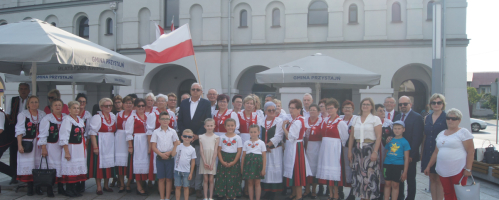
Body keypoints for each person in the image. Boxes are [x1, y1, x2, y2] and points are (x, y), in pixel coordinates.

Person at [423, 108, 474, 200]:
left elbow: (470, 151)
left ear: (459, 120)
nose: (450, 120)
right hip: (443, 171)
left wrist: (468, 169)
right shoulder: (441, 134)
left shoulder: (463, 132)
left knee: (458, 194)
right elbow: (435, 152)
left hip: (458, 170)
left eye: (454, 119)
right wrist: (428, 166)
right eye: (448, 118)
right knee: (447, 193)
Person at [177, 83, 212, 198]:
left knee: (198, 165)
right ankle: (189, 186)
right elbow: (180, 120)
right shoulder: (184, 103)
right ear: (190, 90)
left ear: (201, 91)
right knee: (187, 163)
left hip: (199, 138)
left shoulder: (206, 103)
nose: (195, 91)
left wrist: (198, 135)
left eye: (198, 89)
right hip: (186, 139)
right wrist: (186, 134)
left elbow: (207, 119)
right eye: (193, 89)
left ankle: (197, 187)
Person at [348, 97, 382, 200]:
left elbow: (379, 137)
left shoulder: (375, 119)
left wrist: (375, 152)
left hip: (370, 148)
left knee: (369, 175)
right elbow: (352, 137)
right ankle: (362, 197)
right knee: (359, 175)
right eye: (363, 104)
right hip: (358, 149)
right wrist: (349, 151)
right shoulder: (356, 119)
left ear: (371, 106)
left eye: (367, 104)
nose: (365, 106)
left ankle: (369, 197)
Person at [316, 99, 349, 200]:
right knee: (327, 172)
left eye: (331, 108)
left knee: (334, 172)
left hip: (335, 149)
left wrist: (336, 147)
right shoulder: (325, 120)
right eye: (328, 108)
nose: (329, 110)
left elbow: (344, 137)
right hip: (325, 148)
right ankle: (330, 193)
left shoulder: (340, 122)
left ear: (337, 109)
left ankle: (336, 194)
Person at [393, 96, 423, 200]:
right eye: (400, 104)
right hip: (398, 154)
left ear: (410, 104)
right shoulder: (397, 117)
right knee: (399, 178)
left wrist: (411, 154)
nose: (402, 106)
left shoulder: (417, 117)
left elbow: (417, 138)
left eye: (405, 104)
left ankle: (410, 198)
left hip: (410, 154)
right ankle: (400, 197)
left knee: (410, 178)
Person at [15, 96, 46, 196]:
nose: (34, 104)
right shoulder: (23, 115)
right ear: (28, 104)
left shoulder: (42, 114)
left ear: (38, 103)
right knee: (29, 165)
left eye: (36, 102)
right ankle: (30, 187)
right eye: (32, 102)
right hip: (27, 143)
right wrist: (19, 145)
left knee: (38, 165)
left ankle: (38, 187)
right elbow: (19, 130)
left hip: (39, 143)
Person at [282, 99, 312, 200]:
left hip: (296, 147)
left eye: (293, 108)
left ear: (299, 109)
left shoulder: (298, 121)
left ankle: (298, 195)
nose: (291, 110)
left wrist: (283, 127)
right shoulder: (295, 120)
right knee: (292, 170)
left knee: (296, 170)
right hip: (293, 146)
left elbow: (291, 136)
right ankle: (294, 193)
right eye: (290, 108)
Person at [420, 93, 447, 200]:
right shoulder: (427, 118)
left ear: (442, 104)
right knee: (432, 178)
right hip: (428, 149)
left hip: (441, 152)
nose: (436, 105)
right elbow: (424, 137)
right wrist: (422, 153)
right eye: (434, 102)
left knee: (439, 179)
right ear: (430, 104)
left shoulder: (446, 117)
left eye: (439, 102)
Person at [59, 101, 88, 197]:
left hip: (79, 147)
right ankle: (69, 190)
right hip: (71, 148)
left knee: (76, 168)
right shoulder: (67, 120)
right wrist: (66, 152)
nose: (76, 110)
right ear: (69, 109)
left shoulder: (79, 120)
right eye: (74, 108)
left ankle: (74, 189)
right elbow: (64, 136)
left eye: (78, 108)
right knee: (70, 167)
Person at [38, 98, 66, 197]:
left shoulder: (65, 117)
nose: (58, 107)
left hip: (62, 146)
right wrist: (44, 148)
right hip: (52, 146)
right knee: (51, 166)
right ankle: (50, 188)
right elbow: (43, 134)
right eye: (55, 105)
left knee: (62, 166)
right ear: (51, 107)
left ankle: (61, 187)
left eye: (59, 105)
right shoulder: (47, 118)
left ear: (62, 107)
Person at [88, 98, 116, 195]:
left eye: (110, 106)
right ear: (101, 107)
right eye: (106, 106)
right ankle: (99, 186)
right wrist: (95, 147)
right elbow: (92, 132)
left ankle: (106, 185)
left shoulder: (113, 116)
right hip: (100, 143)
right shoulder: (97, 117)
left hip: (110, 144)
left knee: (108, 165)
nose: (108, 107)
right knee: (99, 166)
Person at [146, 94, 177, 182]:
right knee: (158, 163)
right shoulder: (152, 115)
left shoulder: (171, 114)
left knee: (170, 163)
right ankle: (159, 184)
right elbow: (149, 132)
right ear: (156, 103)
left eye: (162, 101)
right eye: (158, 101)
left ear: (166, 103)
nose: (160, 103)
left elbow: (174, 128)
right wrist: (150, 146)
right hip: (158, 143)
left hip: (170, 143)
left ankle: (169, 184)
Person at [258, 101, 284, 200]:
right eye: (269, 110)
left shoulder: (279, 121)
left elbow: (278, 136)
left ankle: (273, 192)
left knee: (273, 169)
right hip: (264, 150)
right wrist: (263, 147)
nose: (272, 112)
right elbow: (258, 134)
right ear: (265, 111)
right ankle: (266, 191)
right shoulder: (260, 121)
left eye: (274, 110)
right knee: (266, 169)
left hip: (274, 150)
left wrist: (268, 145)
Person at [151, 111, 180, 200]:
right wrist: (161, 154)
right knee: (161, 179)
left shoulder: (173, 131)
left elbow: (177, 143)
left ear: (170, 120)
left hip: (170, 157)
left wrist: (170, 152)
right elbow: (153, 146)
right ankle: (162, 198)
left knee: (168, 179)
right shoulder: (156, 132)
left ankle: (167, 198)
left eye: (167, 119)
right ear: (159, 120)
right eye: (163, 119)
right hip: (160, 158)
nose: (165, 121)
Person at [5, 83, 30, 184]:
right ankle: (14, 175)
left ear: (28, 90)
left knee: (27, 151)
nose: (23, 91)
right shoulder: (13, 100)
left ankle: (27, 175)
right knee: (14, 152)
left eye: (25, 89)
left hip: (27, 130)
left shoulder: (30, 100)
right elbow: (7, 114)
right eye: (21, 89)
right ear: (18, 90)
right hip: (14, 129)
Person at [125, 98, 149, 196]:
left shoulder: (148, 116)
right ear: (135, 107)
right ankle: (139, 187)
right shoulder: (132, 118)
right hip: (137, 142)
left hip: (146, 141)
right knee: (137, 164)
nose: (141, 107)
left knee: (146, 163)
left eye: (143, 105)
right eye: (139, 106)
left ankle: (143, 183)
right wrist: (130, 146)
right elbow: (128, 133)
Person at [214, 118, 243, 199]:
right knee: (222, 176)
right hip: (223, 157)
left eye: (232, 125)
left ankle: (232, 193)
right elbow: (219, 150)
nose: (230, 127)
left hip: (234, 158)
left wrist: (234, 162)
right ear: (225, 126)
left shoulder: (238, 138)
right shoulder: (221, 137)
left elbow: (239, 151)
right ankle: (221, 193)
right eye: (228, 125)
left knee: (233, 176)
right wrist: (222, 161)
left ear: (235, 126)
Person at [384, 121, 410, 200]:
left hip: (398, 166)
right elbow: (386, 153)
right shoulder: (389, 140)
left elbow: (406, 158)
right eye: (395, 128)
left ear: (403, 130)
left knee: (395, 185)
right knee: (387, 183)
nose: (397, 130)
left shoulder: (405, 142)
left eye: (399, 128)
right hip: (388, 164)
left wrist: (405, 172)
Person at [241, 124, 267, 200]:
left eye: (255, 132)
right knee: (249, 183)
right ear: (249, 132)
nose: (253, 133)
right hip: (248, 164)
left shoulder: (261, 143)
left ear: (258, 132)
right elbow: (243, 156)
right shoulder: (246, 142)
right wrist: (242, 168)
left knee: (257, 183)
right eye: (251, 132)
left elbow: (264, 157)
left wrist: (263, 169)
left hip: (258, 165)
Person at [339, 100, 358, 200]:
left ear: (353, 109)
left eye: (349, 108)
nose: (347, 109)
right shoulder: (339, 119)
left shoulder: (356, 119)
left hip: (352, 148)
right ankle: (340, 191)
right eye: (345, 107)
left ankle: (352, 193)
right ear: (342, 109)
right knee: (340, 168)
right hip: (340, 148)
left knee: (352, 169)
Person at [303, 104, 323, 199]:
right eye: (311, 110)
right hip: (306, 146)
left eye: (314, 110)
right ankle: (307, 189)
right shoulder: (305, 120)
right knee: (306, 167)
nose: (312, 111)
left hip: (317, 146)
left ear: (319, 112)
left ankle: (314, 189)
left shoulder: (321, 121)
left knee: (314, 168)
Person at [115, 96, 134, 193]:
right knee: (120, 162)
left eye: (130, 103)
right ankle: (121, 184)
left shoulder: (134, 115)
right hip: (119, 139)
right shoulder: (118, 114)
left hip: (130, 139)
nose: (128, 105)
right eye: (126, 103)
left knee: (130, 161)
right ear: (123, 104)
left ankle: (128, 183)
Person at [375, 103, 394, 199]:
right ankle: (375, 190)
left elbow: (394, 134)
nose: (383, 112)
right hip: (375, 148)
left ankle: (383, 191)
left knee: (384, 168)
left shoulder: (389, 123)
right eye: (380, 110)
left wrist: (391, 136)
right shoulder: (372, 122)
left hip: (385, 148)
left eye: (383, 110)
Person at [199, 118, 220, 200]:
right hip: (204, 159)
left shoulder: (216, 137)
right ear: (205, 126)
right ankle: (205, 197)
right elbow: (201, 151)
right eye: (208, 126)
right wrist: (204, 162)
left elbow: (215, 151)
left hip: (212, 159)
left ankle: (210, 197)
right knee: (205, 179)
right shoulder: (201, 137)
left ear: (214, 126)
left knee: (211, 179)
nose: (209, 127)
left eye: (211, 125)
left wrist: (212, 163)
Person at [75, 93, 92, 192]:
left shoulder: (87, 114)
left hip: (84, 140)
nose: (81, 103)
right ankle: (75, 182)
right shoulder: (72, 113)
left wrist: (87, 142)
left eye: (83, 102)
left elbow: (89, 130)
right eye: (80, 101)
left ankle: (82, 183)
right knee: (75, 162)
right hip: (73, 142)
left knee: (83, 162)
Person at [173, 129, 197, 200]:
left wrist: (191, 173)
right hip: (177, 170)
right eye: (185, 136)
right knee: (177, 187)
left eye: (189, 137)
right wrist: (175, 145)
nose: (187, 138)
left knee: (186, 187)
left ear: (192, 138)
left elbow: (193, 162)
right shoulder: (178, 146)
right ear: (182, 137)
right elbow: (173, 154)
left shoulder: (192, 149)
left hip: (186, 171)